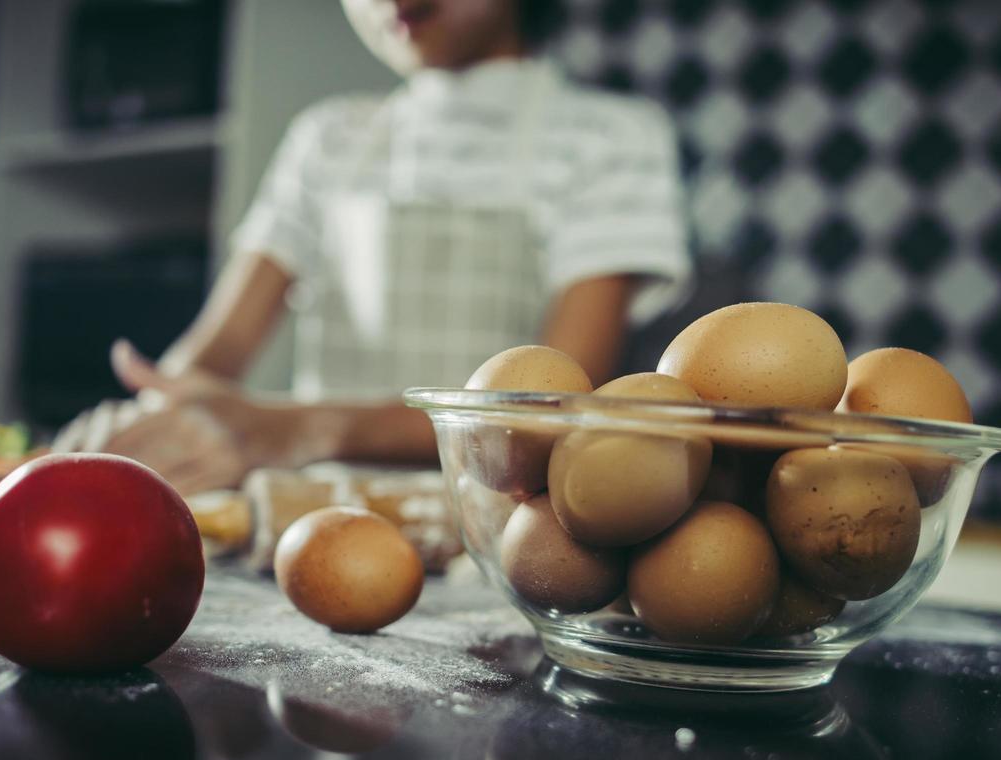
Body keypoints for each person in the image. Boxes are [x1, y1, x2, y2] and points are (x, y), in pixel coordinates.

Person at [54, 0, 690, 495]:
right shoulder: (329, 137)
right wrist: (156, 408)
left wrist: (294, 428)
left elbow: (550, 409)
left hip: (497, 534)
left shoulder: (611, 139)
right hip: (312, 519)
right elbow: (216, 352)